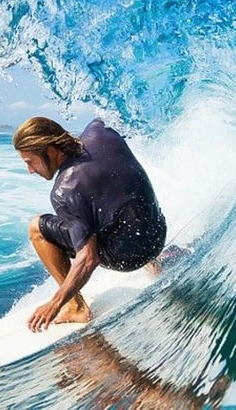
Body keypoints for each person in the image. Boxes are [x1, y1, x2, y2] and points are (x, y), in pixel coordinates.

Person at [13, 116, 166, 332]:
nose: (30, 170)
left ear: (50, 151)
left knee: (36, 227)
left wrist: (54, 304)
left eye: (30, 161)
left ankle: (76, 308)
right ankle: (156, 263)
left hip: (128, 258)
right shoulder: (100, 131)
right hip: (157, 235)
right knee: (112, 197)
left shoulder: (64, 191)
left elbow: (88, 258)